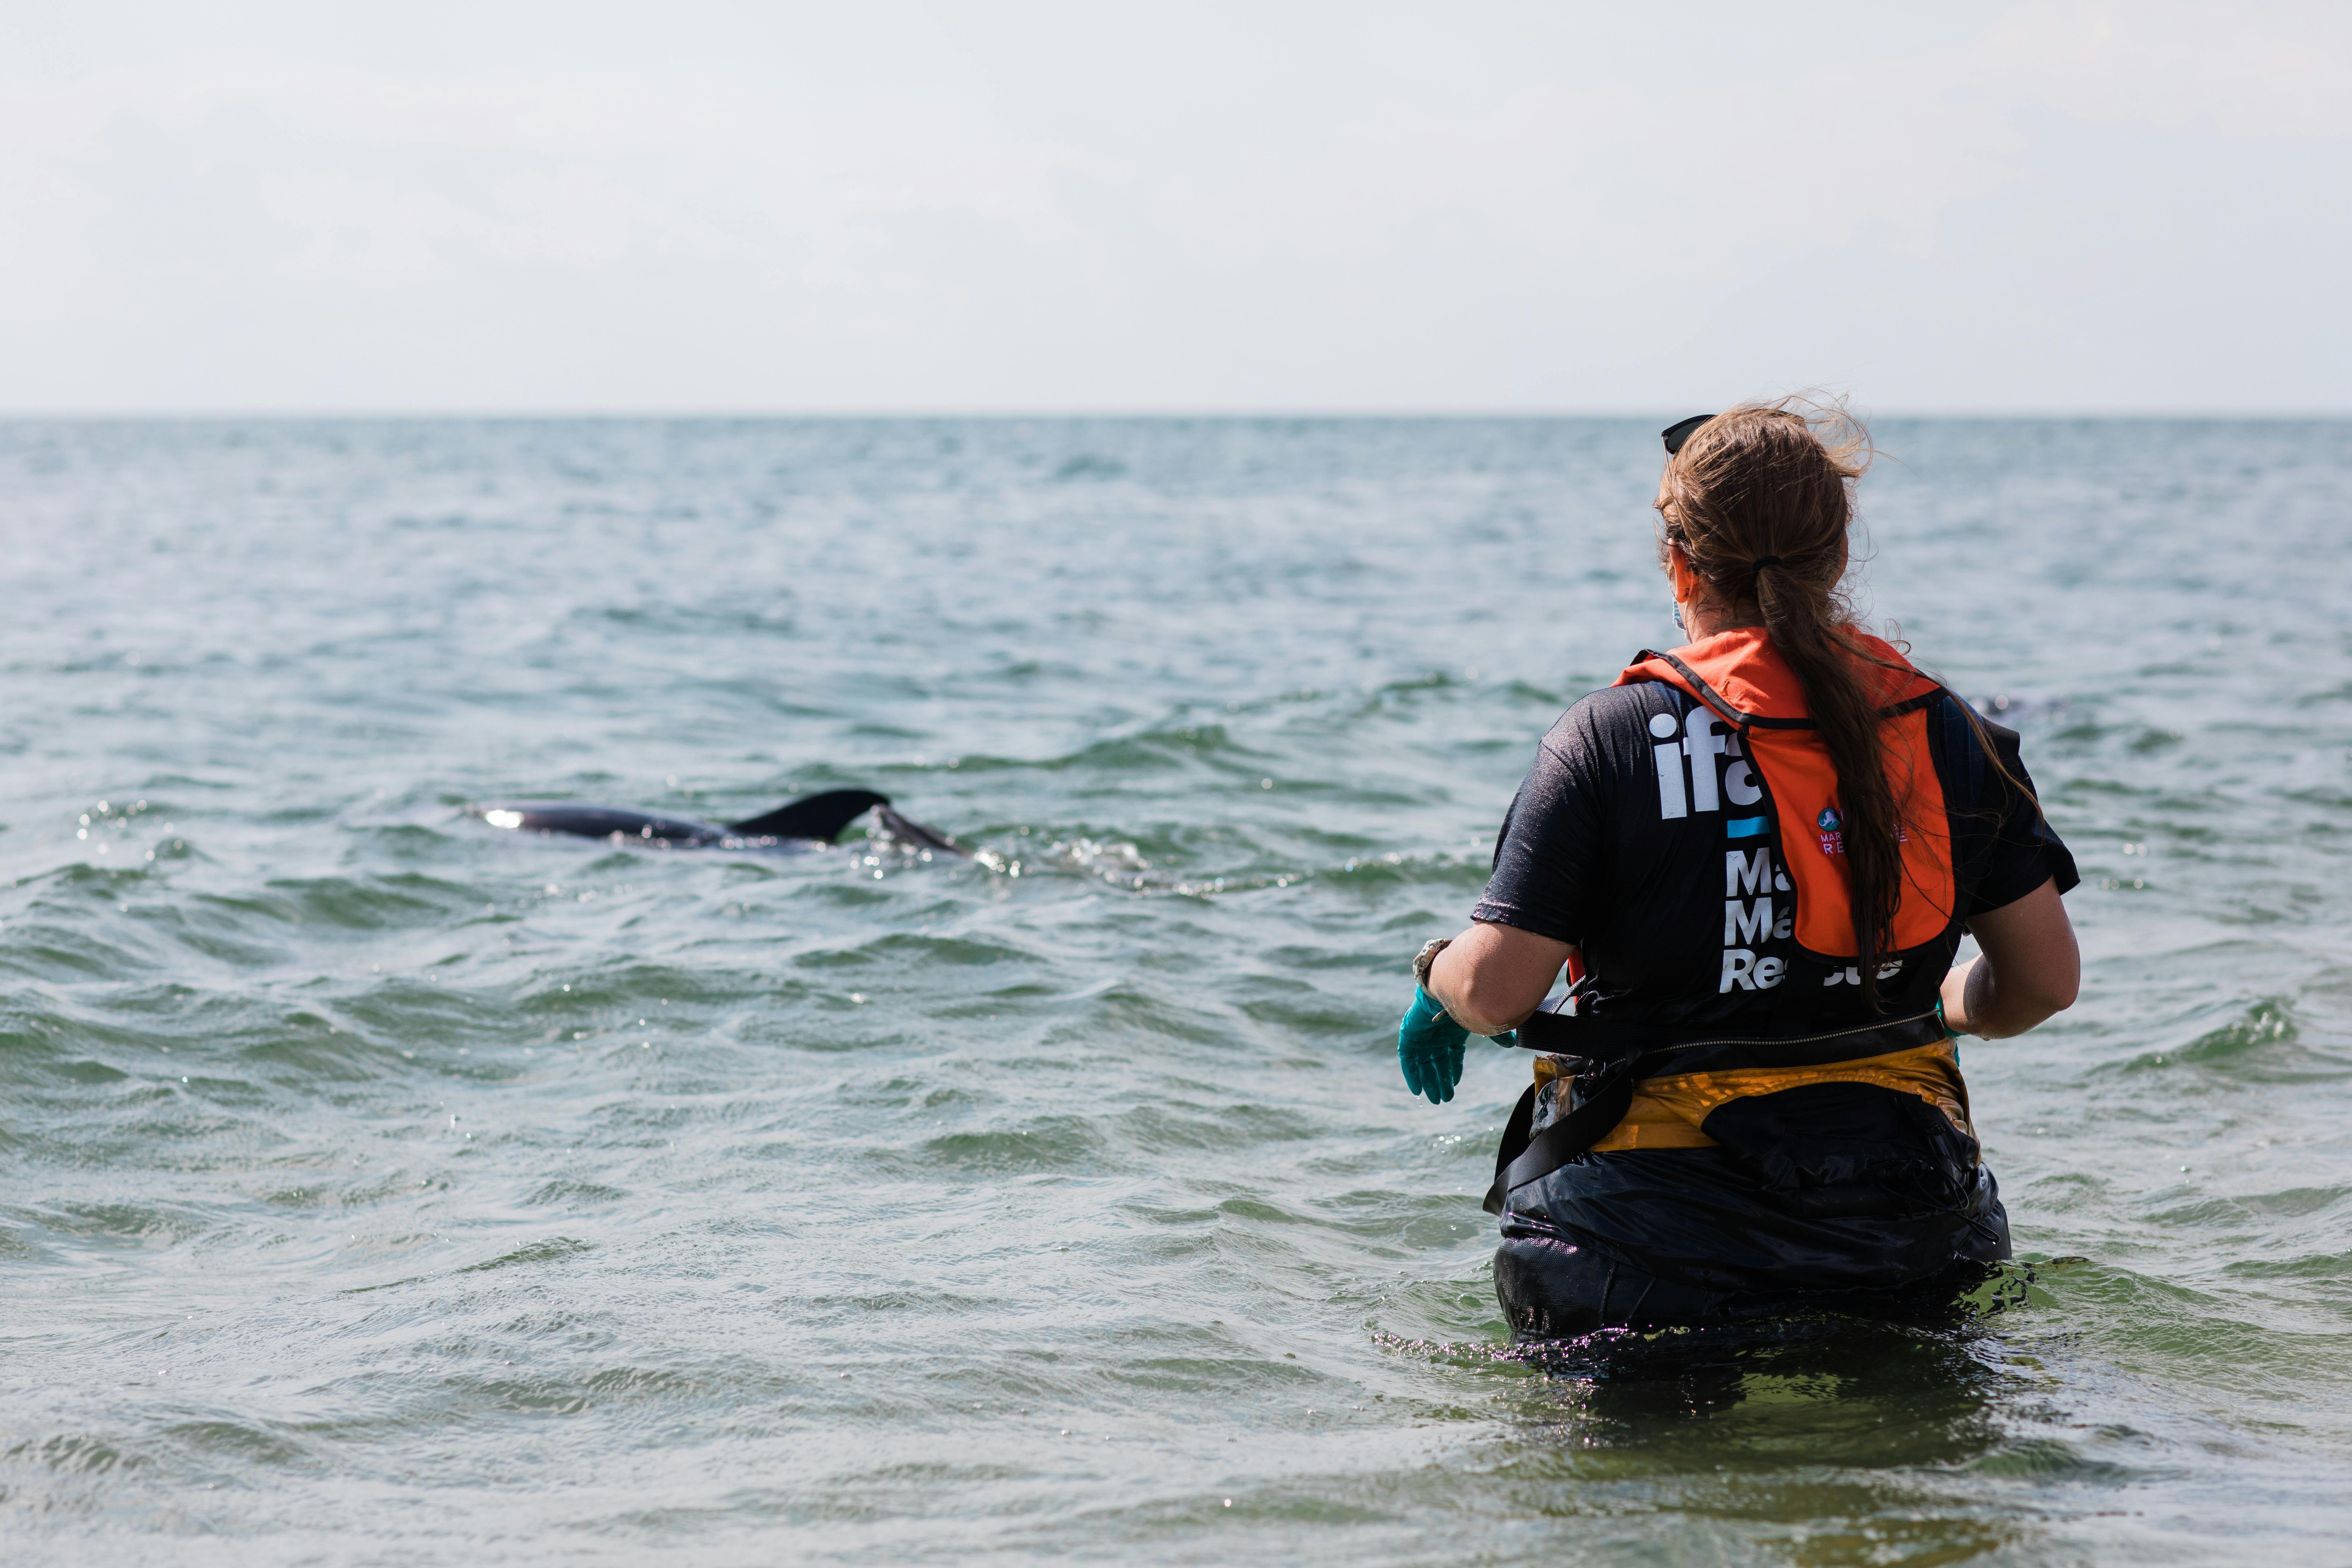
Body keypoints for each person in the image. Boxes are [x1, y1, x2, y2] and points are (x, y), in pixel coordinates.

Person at [1394, 402, 2081, 1339]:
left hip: (1649, 1247)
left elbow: (1501, 989)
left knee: (1641, 1482)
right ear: (1837, 556)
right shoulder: (1952, 732)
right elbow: (2041, 983)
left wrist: (1437, 975)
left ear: (1678, 562)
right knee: (1918, 1482)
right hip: (1908, 1237)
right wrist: (1924, 1002)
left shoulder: (1612, 737)